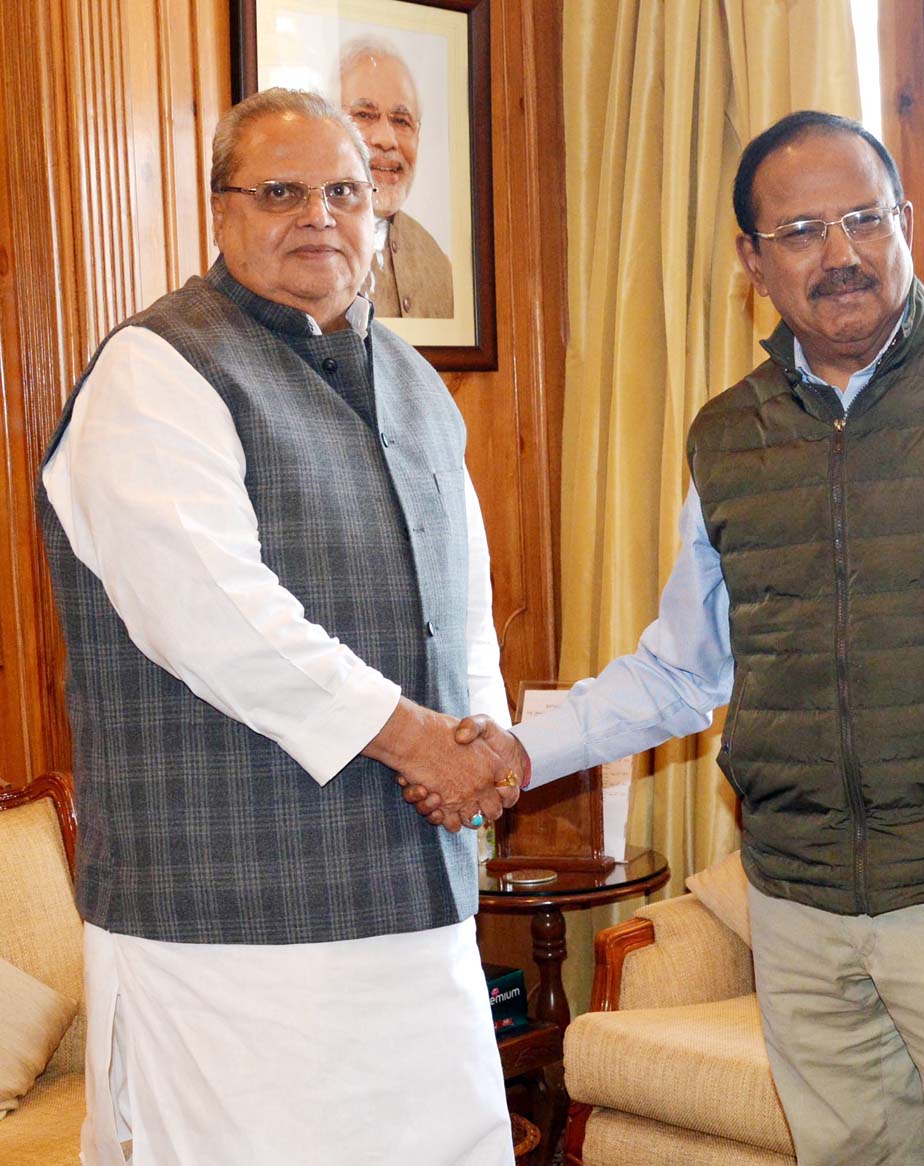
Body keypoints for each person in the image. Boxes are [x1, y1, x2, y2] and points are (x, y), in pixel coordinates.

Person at [419, 111, 924, 1165]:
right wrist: (512, 750)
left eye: (865, 218)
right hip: (796, 896)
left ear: (903, 223)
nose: (842, 254)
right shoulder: (727, 435)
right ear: (752, 258)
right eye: (801, 231)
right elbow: (682, 672)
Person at [39, 88, 521, 1166]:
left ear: (379, 214)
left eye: (344, 191)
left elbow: (463, 594)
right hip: (227, 916)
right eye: (281, 191)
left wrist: (477, 742)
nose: (318, 216)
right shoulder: (156, 368)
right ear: (220, 210)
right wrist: (415, 740)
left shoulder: (408, 377)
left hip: (415, 893)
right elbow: (215, 618)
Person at [340, 38, 454, 319]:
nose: (386, 140)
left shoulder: (437, 264)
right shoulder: (307, 249)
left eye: (401, 121)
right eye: (365, 115)